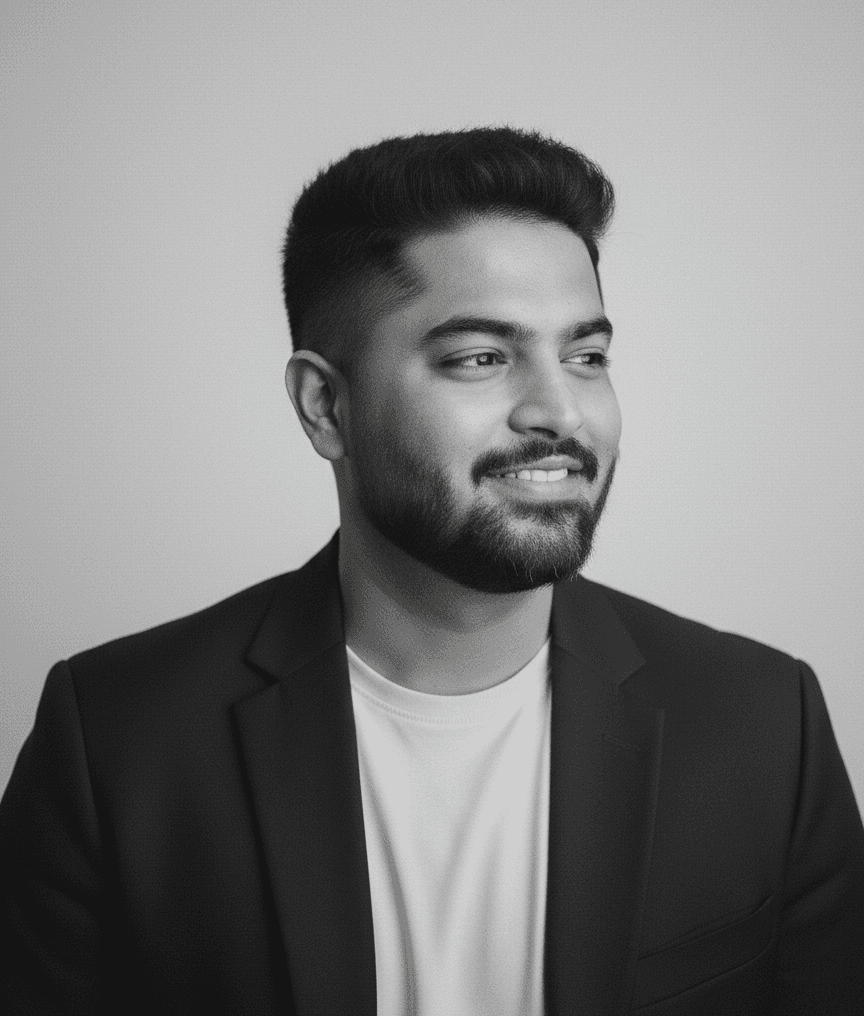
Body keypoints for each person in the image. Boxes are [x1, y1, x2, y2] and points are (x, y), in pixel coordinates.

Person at [2, 127, 862, 1016]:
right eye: (480, 358)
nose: (561, 411)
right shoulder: (116, 741)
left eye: (586, 357)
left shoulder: (765, 724)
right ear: (325, 406)